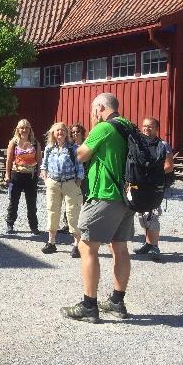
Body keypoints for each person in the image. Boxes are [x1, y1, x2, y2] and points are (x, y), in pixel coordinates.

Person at [61, 92, 133, 323]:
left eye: (94, 110)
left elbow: (80, 155)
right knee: (119, 248)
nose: (93, 114)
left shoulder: (103, 128)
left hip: (104, 195)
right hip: (126, 197)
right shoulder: (128, 126)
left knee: (86, 247)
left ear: (100, 107)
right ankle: (116, 301)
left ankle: (89, 305)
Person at [133, 117, 174, 261]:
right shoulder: (139, 145)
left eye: (150, 127)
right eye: (144, 126)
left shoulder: (163, 145)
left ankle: (155, 247)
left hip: (154, 186)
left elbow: (168, 166)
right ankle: (148, 243)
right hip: (141, 185)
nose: (146, 129)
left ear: (157, 129)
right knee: (141, 215)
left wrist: (151, 176)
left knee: (152, 215)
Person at [39, 122, 84, 256]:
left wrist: (78, 181)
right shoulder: (49, 148)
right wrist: (46, 179)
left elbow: (79, 166)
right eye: (58, 130)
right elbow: (44, 165)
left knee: (72, 213)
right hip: (53, 183)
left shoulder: (73, 148)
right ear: (53, 133)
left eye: (63, 130)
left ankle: (77, 244)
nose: (60, 132)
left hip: (70, 182)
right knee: (52, 211)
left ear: (66, 133)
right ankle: (51, 243)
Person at [4, 119, 42, 234]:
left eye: (26, 128)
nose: (24, 130)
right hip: (16, 175)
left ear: (30, 129)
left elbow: (39, 160)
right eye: (22, 128)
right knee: (14, 201)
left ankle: (33, 226)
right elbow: (9, 160)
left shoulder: (35, 143)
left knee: (31, 202)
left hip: (31, 176)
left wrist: (39, 172)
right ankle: (10, 224)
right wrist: (7, 174)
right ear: (18, 129)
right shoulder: (13, 142)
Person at [58, 122, 88, 234]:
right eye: (73, 132)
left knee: (84, 199)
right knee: (69, 201)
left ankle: (83, 224)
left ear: (82, 133)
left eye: (77, 131)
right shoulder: (70, 146)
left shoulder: (87, 144)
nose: (75, 134)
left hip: (86, 176)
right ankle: (67, 224)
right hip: (71, 177)